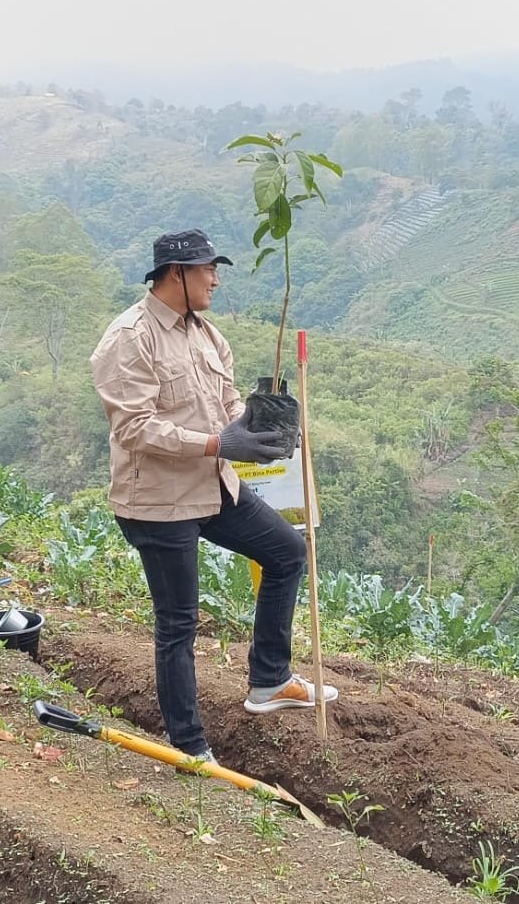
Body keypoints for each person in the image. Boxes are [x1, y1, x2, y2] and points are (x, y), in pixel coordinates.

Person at [90, 228, 337, 763]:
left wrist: (259, 426)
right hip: (157, 501)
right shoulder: (129, 338)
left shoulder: (207, 335)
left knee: (287, 552)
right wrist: (217, 441)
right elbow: (134, 428)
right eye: (208, 270)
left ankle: (269, 681)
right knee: (179, 621)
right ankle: (190, 746)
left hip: (213, 485)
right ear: (176, 273)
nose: (215, 280)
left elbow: (226, 408)